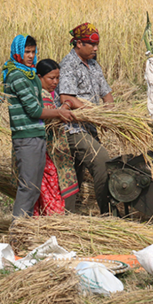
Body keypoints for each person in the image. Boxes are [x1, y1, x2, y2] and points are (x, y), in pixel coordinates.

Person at [3, 35, 74, 219]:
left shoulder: (29, 74)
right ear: (17, 52)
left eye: (33, 52)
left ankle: (27, 228)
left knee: (34, 188)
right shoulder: (17, 76)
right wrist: (59, 113)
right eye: (26, 52)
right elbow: (34, 110)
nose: (30, 55)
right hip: (26, 137)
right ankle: (17, 230)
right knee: (28, 187)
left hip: (37, 134)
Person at [57, 22, 113, 214]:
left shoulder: (94, 64)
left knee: (75, 171)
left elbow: (106, 92)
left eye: (97, 44)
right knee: (102, 161)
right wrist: (96, 114)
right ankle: (107, 213)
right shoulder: (69, 65)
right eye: (92, 44)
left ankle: (70, 214)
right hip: (73, 128)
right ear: (79, 44)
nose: (96, 48)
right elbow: (67, 99)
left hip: (90, 127)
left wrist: (110, 111)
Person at [33, 59, 79, 216]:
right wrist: (65, 107)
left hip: (47, 153)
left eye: (57, 78)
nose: (55, 82)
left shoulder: (46, 94)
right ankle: (53, 222)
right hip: (45, 154)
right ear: (39, 77)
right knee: (49, 190)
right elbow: (48, 118)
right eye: (51, 78)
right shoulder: (40, 95)